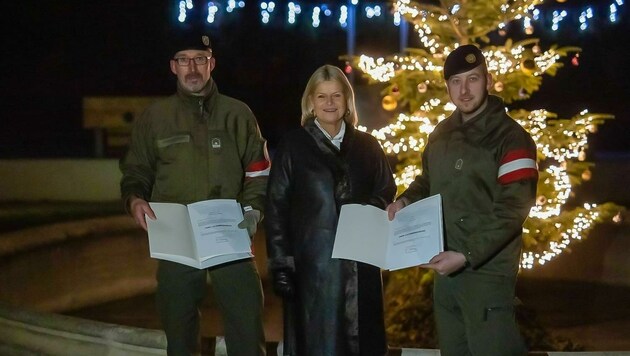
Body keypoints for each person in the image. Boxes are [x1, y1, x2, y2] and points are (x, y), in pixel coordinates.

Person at [119, 29, 269, 355]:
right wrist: (134, 199)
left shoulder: (237, 114)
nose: (192, 68)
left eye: (199, 59)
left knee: (246, 319)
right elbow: (137, 170)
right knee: (179, 324)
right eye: (184, 60)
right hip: (176, 232)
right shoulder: (156, 118)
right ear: (173, 67)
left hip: (228, 228)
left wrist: (252, 210)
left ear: (211, 63)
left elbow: (258, 170)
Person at [386, 44, 538, 356]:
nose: (465, 90)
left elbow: (513, 210)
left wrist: (466, 254)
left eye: (473, 79)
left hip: (487, 276)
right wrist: (404, 202)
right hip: (446, 274)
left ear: (489, 80)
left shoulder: (511, 138)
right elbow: (427, 181)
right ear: (447, 87)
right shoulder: (441, 133)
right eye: (456, 81)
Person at [264, 64, 397, 355]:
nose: (329, 103)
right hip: (313, 271)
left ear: (347, 101)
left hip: (361, 269)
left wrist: (365, 211)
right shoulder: (293, 147)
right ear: (310, 102)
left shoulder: (368, 146)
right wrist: (281, 265)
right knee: (319, 344)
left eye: (336, 96)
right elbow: (276, 207)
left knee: (363, 343)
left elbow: (387, 190)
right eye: (322, 96)